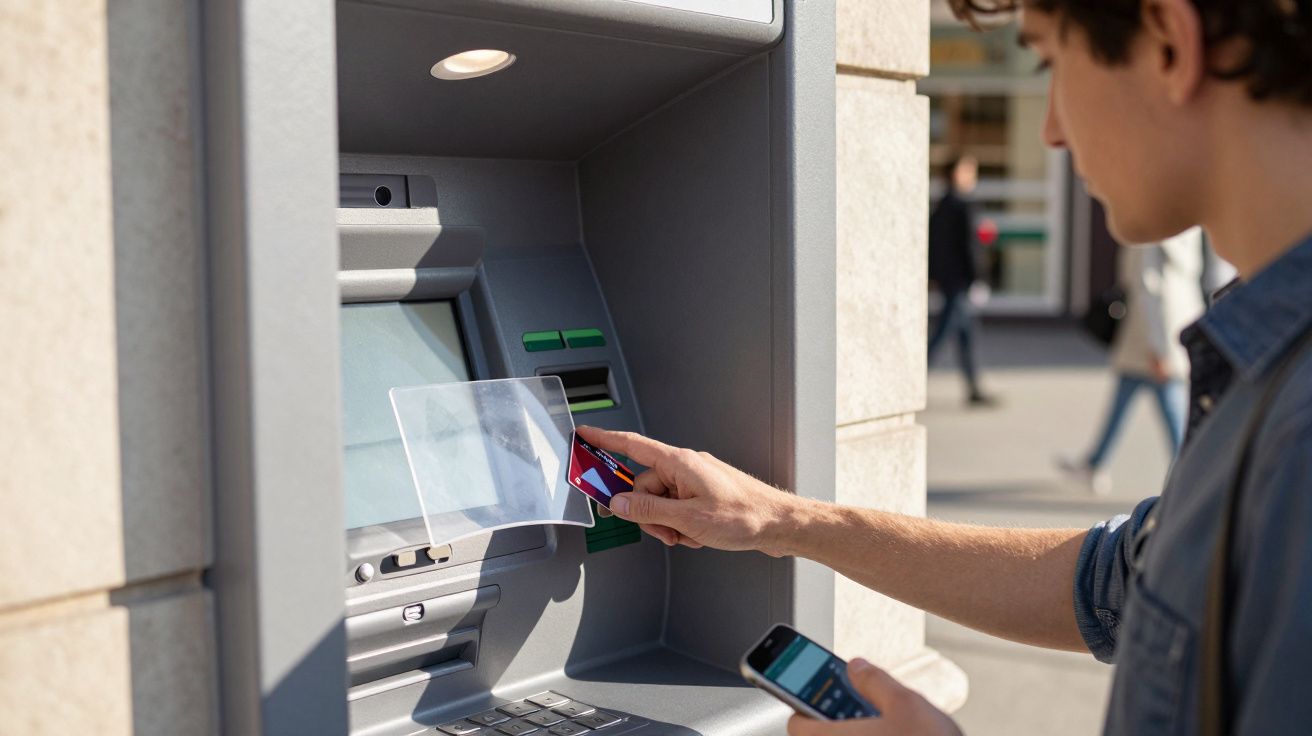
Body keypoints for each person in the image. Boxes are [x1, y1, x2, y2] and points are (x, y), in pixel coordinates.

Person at [578, 0, 1312, 733]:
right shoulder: (1268, 371)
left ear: (1170, 43)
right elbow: (1110, 584)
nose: (1051, 129)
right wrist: (780, 519)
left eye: (1050, 61)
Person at [1059, 228, 1205, 495]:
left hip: (1150, 338)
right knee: (1125, 397)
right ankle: (1094, 463)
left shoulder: (1151, 230)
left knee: (1172, 410)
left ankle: (1189, 476)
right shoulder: (1187, 232)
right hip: (1176, 327)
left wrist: (1157, 348)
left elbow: (1147, 289)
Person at [927, 154, 997, 407]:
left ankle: (974, 389)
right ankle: (911, 382)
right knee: (942, 334)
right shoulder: (962, 205)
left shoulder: (942, 204)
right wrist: (978, 279)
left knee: (966, 334)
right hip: (959, 281)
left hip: (950, 279)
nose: (972, 176)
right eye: (968, 170)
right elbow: (970, 246)